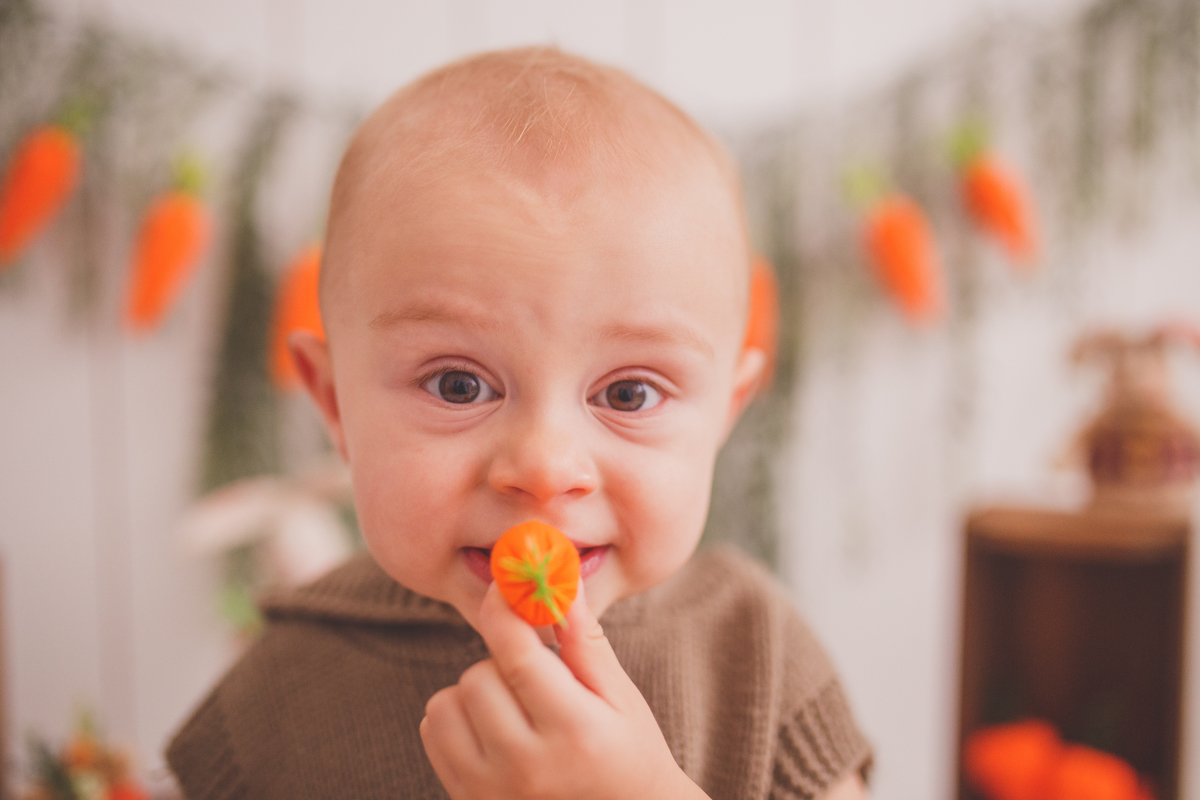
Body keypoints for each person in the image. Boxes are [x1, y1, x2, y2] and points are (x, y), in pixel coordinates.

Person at [167, 46, 872, 800]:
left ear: (726, 413)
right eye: (458, 384)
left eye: (629, 395)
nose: (543, 466)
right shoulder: (280, 690)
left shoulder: (756, 654)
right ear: (334, 402)